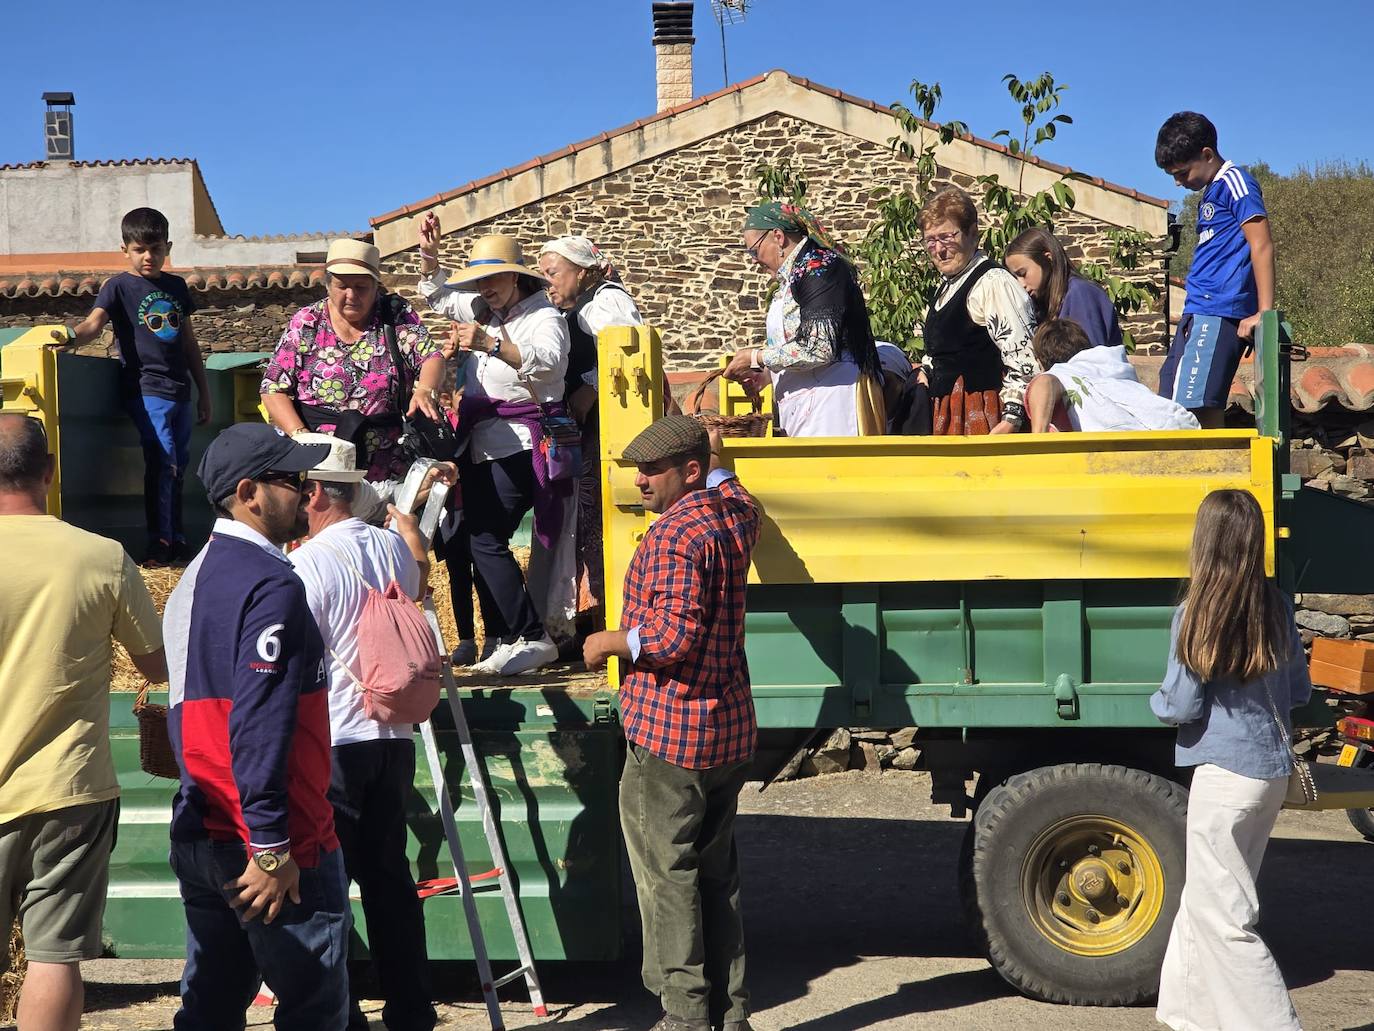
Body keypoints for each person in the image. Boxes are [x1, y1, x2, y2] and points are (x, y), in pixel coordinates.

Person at [162, 423, 349, 1030]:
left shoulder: (193, 578)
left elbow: (186, 715)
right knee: (314, 1010)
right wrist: (271, 847)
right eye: (293, 481)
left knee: (211, 1005)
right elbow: (259, 722)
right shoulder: (272, 584)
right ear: (249, 493)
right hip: (271, 840)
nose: (309, 493)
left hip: (203, 825)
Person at [583, 415, 760, 1031]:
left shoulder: (674, 534)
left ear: (687, 472)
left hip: (672, 731)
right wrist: (715, 453)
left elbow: (672, 633)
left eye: (652, 471)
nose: (639, 481)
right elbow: (740, 493)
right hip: (728, 727)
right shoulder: (732, 514)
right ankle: (731, 1013)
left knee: (667, 876)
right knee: (717, 876)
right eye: (637, 470)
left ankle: (685, 1015)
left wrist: (611, 640)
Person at [0, 413, 167, 1031]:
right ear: (48, 472)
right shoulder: (101, 557)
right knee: (55, 955)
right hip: (68, 785)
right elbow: (155, 663)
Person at [288, 434, 439, 1031]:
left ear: (319, 492)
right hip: (393, 736)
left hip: (336, 738)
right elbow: (418, 582)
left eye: (301, 490)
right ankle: (412, 1010)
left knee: (330, 888)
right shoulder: (391, 549)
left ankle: (342, 1013)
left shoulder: (306, 564)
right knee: (390, 880)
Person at [1150, 489, 1308, 1031]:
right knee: (1205, 900)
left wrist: (1150, 702)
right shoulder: (1278, 606)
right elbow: (1299, 691)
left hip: (1223, 776)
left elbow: (1179, 704)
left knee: (1226, 919)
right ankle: (1185, 1016)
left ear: (1206, 540)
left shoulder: (1196, 612)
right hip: (1269, 772)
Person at [417, 218, 572, 676]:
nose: (486, 287)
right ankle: (508, 637)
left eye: (494, 278)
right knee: (480, 538)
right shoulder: (488, 310)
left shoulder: (544, 317)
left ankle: (531, 635)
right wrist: (430, 254)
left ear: (517, 276)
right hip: (486, 445)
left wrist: (489, 344)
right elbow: (441, 295)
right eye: (481, 280)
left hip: (526, 444)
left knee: (484, 538)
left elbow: (548, 366)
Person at [54, 206, 212, 566]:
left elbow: (188, 343)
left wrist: (203, 391)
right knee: (163, 460)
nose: (148, 256)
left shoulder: (176, 287)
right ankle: (159, 542)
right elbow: (94, 324)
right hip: (145, 389)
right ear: (124, 249)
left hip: (180, 392)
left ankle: (177, 539)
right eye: (140, 249)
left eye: (156, 249)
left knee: (177, 466)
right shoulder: (119, 287)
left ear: (167, 247)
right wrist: (66, 338)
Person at [537, 235, 671, 630]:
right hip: (592, 430)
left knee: (598, 521)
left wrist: (590, 389)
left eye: (554, 273)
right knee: (586, 520)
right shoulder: (583, 305)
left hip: (607, 430)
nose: (550, 283)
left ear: (581, 270)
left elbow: (627, 352)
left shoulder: (604, 301)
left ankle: (611, 619)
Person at [259, 238, 446, 486]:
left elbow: (431, 357)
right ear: (327, 285)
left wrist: (424, 389)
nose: (351, 295)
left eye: (361, 287)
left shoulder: (395, 315)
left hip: (387, 462)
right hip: (322, 460)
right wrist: (301, 436)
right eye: (342, 286)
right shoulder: (307, 322)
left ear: (376, 287)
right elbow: (273, 388)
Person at [1155, 112, 1276, 429]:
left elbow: (1261, 244)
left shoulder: (1236, 183)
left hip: (1219, 310)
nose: (1178, 182)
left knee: (1197, 407)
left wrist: (1263, 311)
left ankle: (1212, 475)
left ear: (1206, 154)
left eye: (1182, 172)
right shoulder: (1210, 192)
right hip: (1197, 311)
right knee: (1170, 398)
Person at [724, 201, 884, 437]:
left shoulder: (819, 268)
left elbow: (819, 347)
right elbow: (794, 344)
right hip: (809, 403)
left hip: (834, 403)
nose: (754, 260)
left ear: (778, 237)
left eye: (754, 251)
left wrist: (756, 357)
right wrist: (765, 375)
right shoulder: (792, 277)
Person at [917, 187, 1038, 435]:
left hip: (981, 409)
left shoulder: (993, 282)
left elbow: (1024, 354)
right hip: (946, 410)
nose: (939, 249)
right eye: (931, 240)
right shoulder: (946, 287)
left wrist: (1012, 418)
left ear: (973, 233)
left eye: (947, 237)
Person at [1025, 319, 1198, 433]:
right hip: (1180, 425)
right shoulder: (1114, 369)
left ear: (1040, 360)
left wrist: (1038, 440)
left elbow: (1046, 381)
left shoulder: (1061, 373)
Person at [1004, 227, 1123, 349]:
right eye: (1016, 278)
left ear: (1048, 258)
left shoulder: (1080, 293)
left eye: (1023, 273)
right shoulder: (1046, 303)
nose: (1021, 284)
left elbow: (1091, 359)